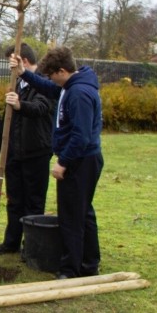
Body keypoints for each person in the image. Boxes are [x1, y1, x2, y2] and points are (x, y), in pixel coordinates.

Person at [10, 46, 103, 278]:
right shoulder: (70, 86)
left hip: (81, 160)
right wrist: (23, 73)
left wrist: (64, 162)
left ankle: (71, 269)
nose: (50, 79)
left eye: (51, 74)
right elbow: (49, 88)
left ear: (62, 70)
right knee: (83, 212)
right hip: (83, 158)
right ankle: (89, 263)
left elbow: (81, 135)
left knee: (71, 215)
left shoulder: (79, 93)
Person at [0, 43, 54, 254]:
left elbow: (41, 107)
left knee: (33, 202)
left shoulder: (44, 84)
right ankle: (11, 241)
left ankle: (31, 246)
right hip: (15, 152)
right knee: (14, 199)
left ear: (24, 61)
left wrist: (21, 105)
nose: (10, 67)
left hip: (36, 151)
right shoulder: (17, 83)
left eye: (12, 62)